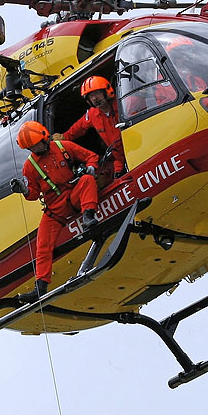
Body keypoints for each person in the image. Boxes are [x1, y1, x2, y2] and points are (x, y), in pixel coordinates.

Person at [10, 121, 100, 303]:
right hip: (54, 208)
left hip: (73, 194)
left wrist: (91, 167)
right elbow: (34, 194)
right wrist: (24, 190)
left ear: (44, 137)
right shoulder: (29, 167)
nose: (35, 148)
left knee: (88, 180)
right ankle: (40, 286)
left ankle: (88, 218)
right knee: (42, 246)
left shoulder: (63, 147)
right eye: (31, 147)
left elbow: (91, 157)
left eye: (37, 144)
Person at [53, 75, 127, 178]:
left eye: (96, 93)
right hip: (119, 159)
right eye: (90, 96)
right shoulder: (92, 115)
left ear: (106, 91)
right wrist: (63, 137)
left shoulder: (124, 103)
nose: (94, 98)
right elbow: (78, 128)